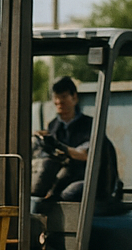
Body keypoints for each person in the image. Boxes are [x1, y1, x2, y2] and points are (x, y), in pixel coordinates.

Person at [32, 76, 121, 208]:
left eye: (63, 96)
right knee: (43, 193)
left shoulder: (91, 125)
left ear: (74, 98)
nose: (59, 101)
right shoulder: (53, 126)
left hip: (92, 180)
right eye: (56, 97)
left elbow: (85, 154)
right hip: (67, 177)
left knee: (69, 194)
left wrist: (60, 146)